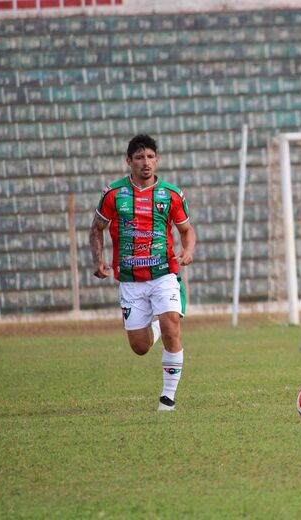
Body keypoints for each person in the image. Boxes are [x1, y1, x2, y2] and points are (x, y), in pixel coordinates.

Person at [89, 134, 196, 411]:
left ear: (157, 160)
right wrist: (98, 260)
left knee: (174, 330)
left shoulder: (171, 194)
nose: (145, 162)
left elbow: (187, 230)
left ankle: (167, 400)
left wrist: (187, 251)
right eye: (139, 157)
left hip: (164, 274)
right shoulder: (113, 194)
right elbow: (96, 229)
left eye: (150, 157)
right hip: (130, 281)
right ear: (129, 161)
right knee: (140, 347)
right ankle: (157, 324)